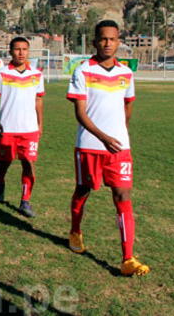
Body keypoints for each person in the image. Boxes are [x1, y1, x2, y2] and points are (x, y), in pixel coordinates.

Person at [66, 20, 150, 276]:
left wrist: (118, 135)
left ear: (118, 41)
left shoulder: (126, 73)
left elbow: (127, 107)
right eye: (103, 39)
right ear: (95, 42)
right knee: (83, 189)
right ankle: (75, 231)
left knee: (123, 196)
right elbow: (80, 113)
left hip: (119, 148)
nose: (107, 43)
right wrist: (103, 136)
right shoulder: (83, 70)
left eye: (112, 39)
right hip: (90, 146)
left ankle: (128, 258)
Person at [0, 37, 44, 218]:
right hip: (8, 128)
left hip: (29, 130)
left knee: (29, 164)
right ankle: (0, 181)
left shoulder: (36, 74)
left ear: (28, 51)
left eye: (24, 49)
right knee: (4, 163)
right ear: (10, 51)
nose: (21, 53)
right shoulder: (1, 73)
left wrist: (40, 124)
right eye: (17, 49)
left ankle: (25, 201)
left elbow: (38, 100)